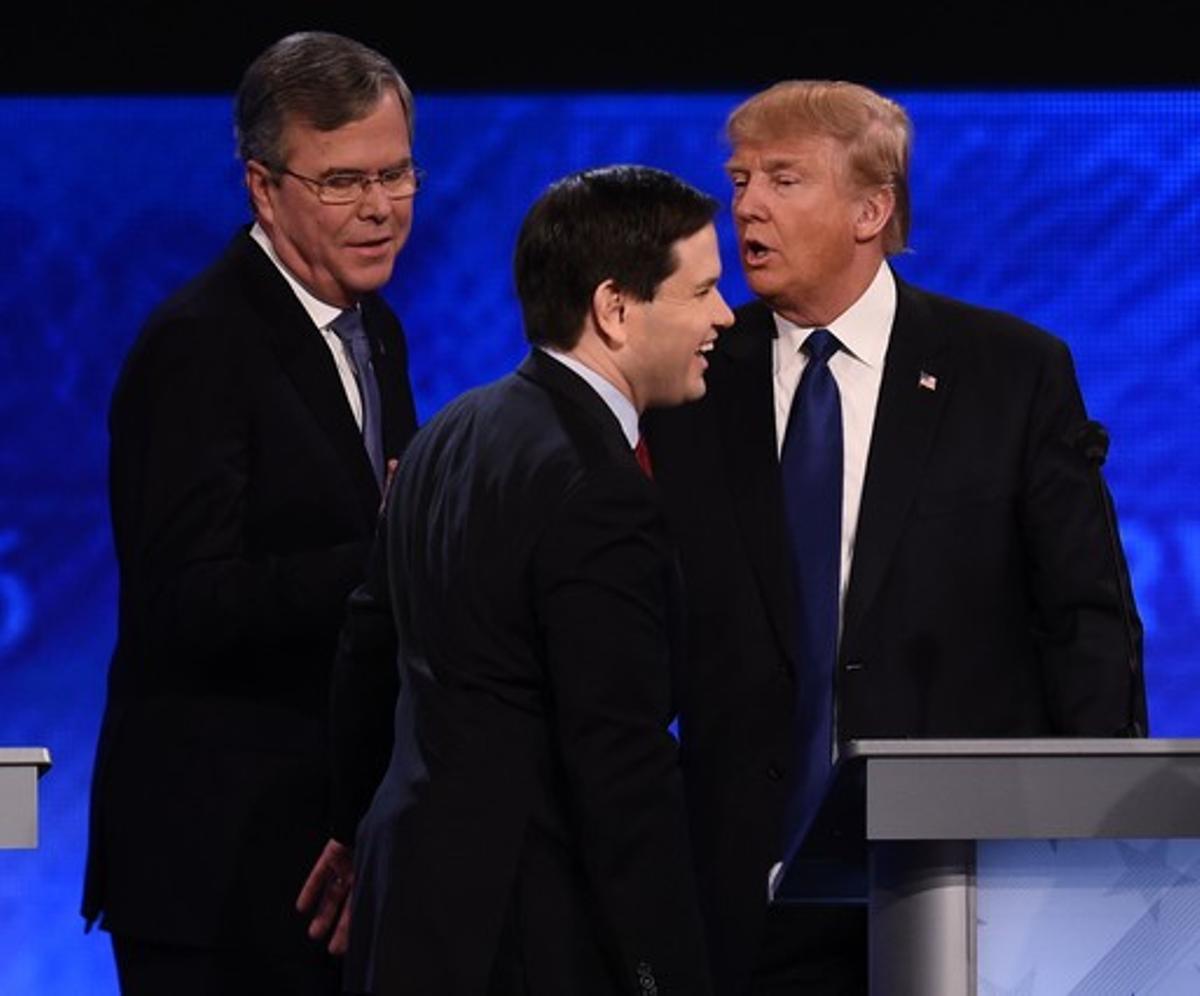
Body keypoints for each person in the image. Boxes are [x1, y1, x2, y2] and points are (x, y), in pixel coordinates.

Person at [645, 80, 1148, 996]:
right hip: (739, 886)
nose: (747, 205)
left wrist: (1103, 844)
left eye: (785, 180)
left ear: (871, 208)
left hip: (959, 881)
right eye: (741, 179)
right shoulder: (690, 379)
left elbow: (1087, 621)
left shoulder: (1011, 373)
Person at [331, 164, 733, 995]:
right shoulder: (602, 489)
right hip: (531, 936)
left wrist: (354, 832)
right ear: (616, 309)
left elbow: (368, 648)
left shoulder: (450, 432)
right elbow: (619, 764)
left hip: (411, 914)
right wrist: (668, 975)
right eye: (701, 292)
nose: (724, 317)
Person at [81, 31, 420, 996]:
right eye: (343, 181)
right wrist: (387, 561)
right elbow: (182, 603)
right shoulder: (201, 345)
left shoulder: (374, 331)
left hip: (326, 851)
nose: (379, 208)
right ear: (263, 189)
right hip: (218, 868)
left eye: (396, 173)